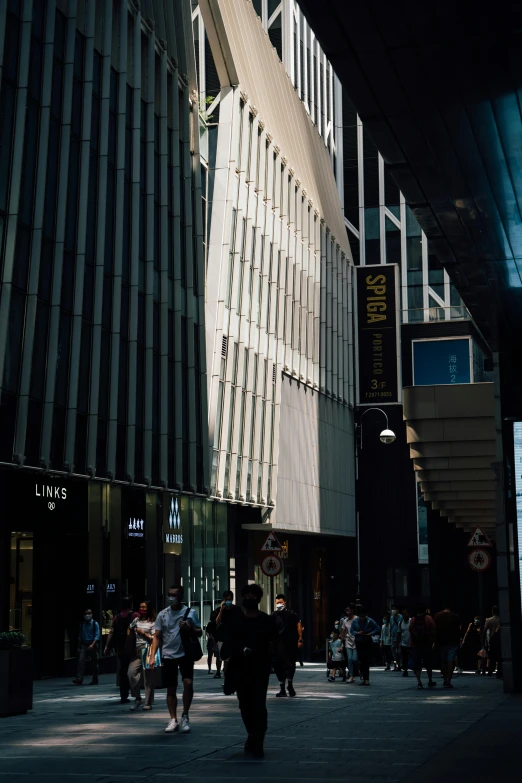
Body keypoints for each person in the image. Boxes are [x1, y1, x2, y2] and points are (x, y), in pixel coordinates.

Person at [215, 583, 278, 759]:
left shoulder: (266, 620)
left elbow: (274, 643)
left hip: (260, 669)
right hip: (240, 669)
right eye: (247, 595)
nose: (250, 598)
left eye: (253, 595)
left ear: (259, 598)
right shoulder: (236, 620)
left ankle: (258, 740)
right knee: (244, 705)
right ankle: (252, 734)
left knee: (258, 705)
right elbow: (225, 641)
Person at [150, 584, 202, 734]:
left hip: (185, 653)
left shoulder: (190, 613)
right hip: (168, 655)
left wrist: (189, 628)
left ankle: (185, 715)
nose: (171, 598)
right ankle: (173, 719)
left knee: (188, 683)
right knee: (170, 688)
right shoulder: (162, 614)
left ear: (181, 597)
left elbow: (199, 632)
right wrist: (153, 656)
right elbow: (157, 636)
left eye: (174, 595)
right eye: (169, 594)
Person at [104, 597, 139, 703]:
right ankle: (135, 693)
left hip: (121, 649)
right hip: (133, 648)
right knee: (134, 671)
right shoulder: (135, 615)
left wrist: (107, 646)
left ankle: (123, 695)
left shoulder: (116, 617)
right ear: (131, 605)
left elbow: (111, 632)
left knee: (123, 670)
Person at [128, 601, 157, 711]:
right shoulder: (136, 620)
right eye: (140, 607)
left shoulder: (153, 622)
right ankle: (137, 698)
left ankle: (148, 702)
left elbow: (155, 638)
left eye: (144, 607)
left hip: (148, 649)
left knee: (148, 678)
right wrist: (129, 638)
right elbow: (129, 628)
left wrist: (143, 633)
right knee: (131, 673)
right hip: (136, 650)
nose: (142, 609)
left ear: (149, 608)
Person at [272, 593, 302, 697]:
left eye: (280, 602)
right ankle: (282, 689)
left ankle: (290, 685)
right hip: (277, 646)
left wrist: (300, 639)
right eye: (277, 603)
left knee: (290, 665)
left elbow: (298, 625)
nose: (278, 604)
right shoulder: (273, 615)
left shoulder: (292, 614)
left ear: (285, 602)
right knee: (278, 666)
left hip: (290, 644)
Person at [349, 606, 380, 685]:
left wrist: (371, 633)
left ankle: (366, 679)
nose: (362, 618)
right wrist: (357, 633)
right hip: (359, 641)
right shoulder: (355, 621)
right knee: (360, 659)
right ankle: (363, 677)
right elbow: (352, 630)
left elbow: (377, 628)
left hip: (367, 641)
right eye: (361, 616)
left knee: (365, 660)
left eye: (363, 616)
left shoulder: (370, 621)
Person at [409, 603, 437, 689]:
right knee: (428, 663)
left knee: (417, 664)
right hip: (426, 644)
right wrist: (432, 641)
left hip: (416, 644)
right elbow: (434, 629)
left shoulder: (413, 619)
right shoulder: (428, 618)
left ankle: (419, 682)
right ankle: (430, 680)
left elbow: (410, 630)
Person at [434, 602, 461, 688]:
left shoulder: (437, 615)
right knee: (450, 661)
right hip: (452, 642)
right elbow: (458, 629)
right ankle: (448, 680)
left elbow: (435, 629)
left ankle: (444, 678)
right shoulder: (455, 616)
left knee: (443, 661)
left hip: (441, 641)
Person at [73, 608, 100, 686]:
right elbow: (80, 636)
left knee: (94, 663)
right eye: (86, 614)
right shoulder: (82, 625)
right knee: (81, 661)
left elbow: (97, 636)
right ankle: (79, 679)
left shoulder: (95, 624)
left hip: (93, 644)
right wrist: (78, 647)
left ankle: (95, 679)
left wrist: (92, 645)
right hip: (84, 644)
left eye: (89, 613)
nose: (87, 615)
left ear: (91, 614)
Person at [340, 604, 359, 684]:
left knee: (355, 659)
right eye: (346, 610)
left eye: (349, 610)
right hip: (348, 641)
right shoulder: (345, 620)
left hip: (356, 641)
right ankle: (351, 675)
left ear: (352, 610)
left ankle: (360, 670)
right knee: (350, 659)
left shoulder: (357, 619)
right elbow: (343, 633)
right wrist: (341, 644)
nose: (348, 612)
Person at [484, 606, 501, 677]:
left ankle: (490, 670)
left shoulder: (489, 620)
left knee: (492, 655)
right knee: (500, 655)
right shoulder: (501, 619)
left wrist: (483, 638)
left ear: (492, 611)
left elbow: (484, 630)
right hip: (500, 639)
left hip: (492, 639)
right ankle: (499, 671)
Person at [398, 607, 411, 677]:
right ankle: (405, 670)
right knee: (404, 658)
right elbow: (399, 633)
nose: (404, 615)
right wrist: (399, 643)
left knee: (412, 657)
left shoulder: (411, 621)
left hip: (411, 643)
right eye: (403, 614)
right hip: (403, 643)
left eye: (405, 613)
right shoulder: (400, 623)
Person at [390, 606, 403, 671]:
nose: (393, 611)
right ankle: (396, 666)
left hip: (400, 637)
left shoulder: (401, 617)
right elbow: (391, 627)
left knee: (399, 652)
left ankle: (400, 665)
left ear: (397, 610)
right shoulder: (391, 618)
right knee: (394, 652)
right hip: (393, 637)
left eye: (394, 609)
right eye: (392, 609)